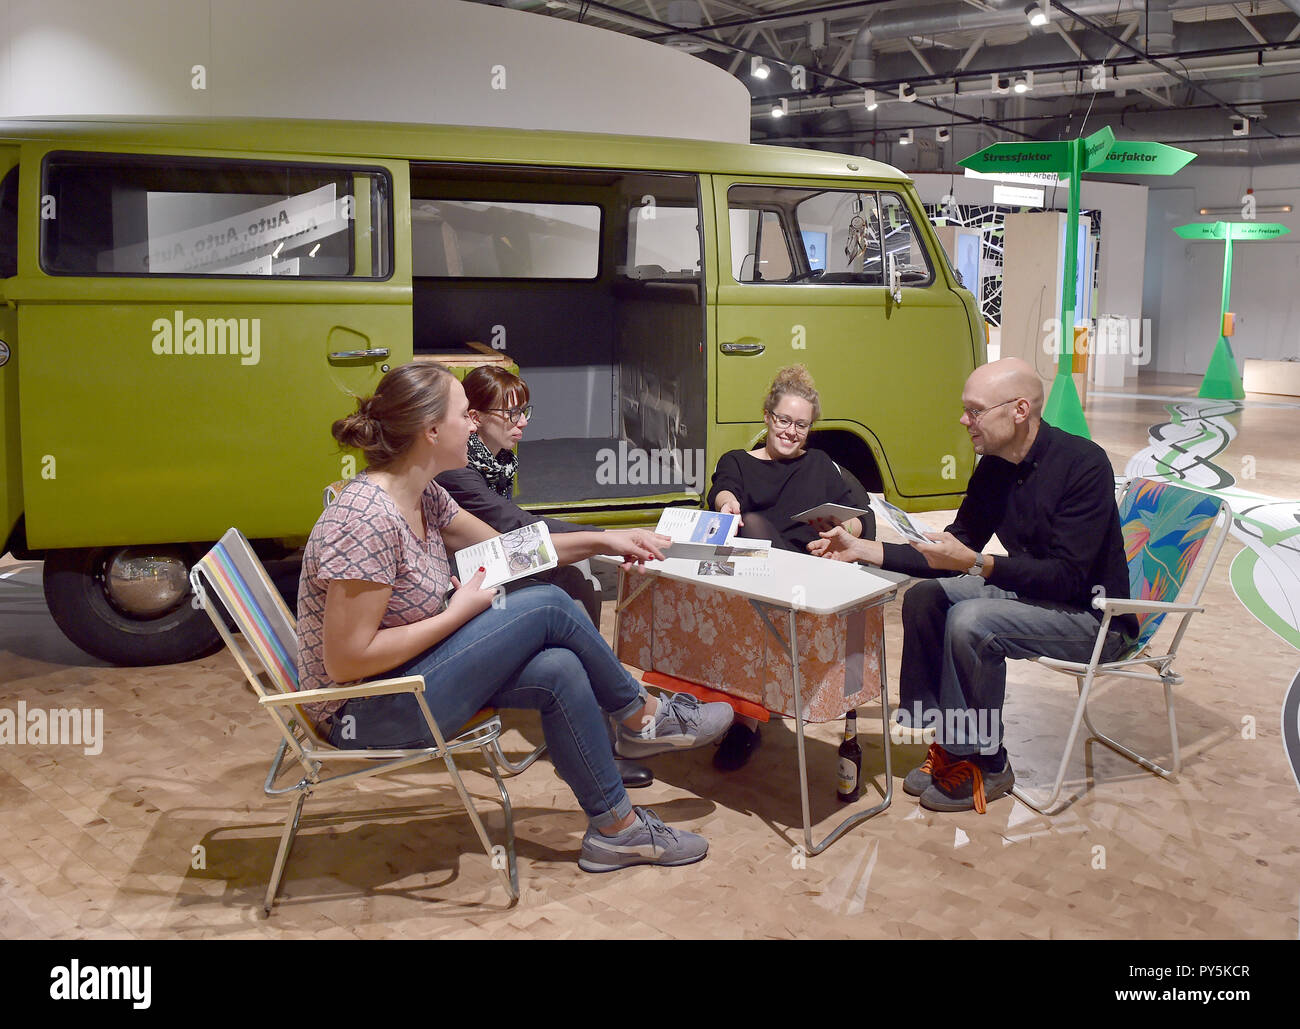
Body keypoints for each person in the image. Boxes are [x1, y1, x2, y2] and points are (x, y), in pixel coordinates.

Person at [296, 362, 734, 872]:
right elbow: (347, 662)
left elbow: (514, 551)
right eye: (465, 414)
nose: (474, 425)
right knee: (547, 604)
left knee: (559, 670)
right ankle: (642, 717)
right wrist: (456, 614)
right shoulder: (367, 517)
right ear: (431, 431)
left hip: (407, 681)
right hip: (364, 712)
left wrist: (607, 540)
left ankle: (618, 830)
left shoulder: (424, 494)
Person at [811, 358, 1137, 814]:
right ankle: (949, 743)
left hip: (1095, 618)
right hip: (1035, 600)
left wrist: (981, 564)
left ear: (1019, 410)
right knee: (926, 599)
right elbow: (954, 549)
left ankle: (986, 761)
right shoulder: (995, 466)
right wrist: (862, 550)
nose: (964, 420)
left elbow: (1068, 576)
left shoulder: (1084, 465)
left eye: (975, 410)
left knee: (972, 620)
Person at [435, 364, 657, 788]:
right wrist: (606, 536)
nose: (521, 423)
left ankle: (601, 725)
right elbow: (513, 525)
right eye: (511, 413)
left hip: (482, 561)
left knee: (574, 578)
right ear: (475, 419)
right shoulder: (455, 470)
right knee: (568, 586)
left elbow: (513, 531)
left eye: (525, 412)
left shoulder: (494, 460)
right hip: (461, 582)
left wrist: (598, 541)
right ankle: (604, 733)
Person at [704, 364, 870, 770]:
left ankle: (745, 722)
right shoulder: (738, 461)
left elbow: (864, 514)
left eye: (801, 424)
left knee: (765, 538)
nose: (790, 431)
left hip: (809, 573)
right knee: (753, 524)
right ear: (767, 416)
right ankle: (746, 716)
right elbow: (722, 489)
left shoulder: (820, 464)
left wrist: (843, 528)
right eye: (783, 420)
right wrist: (727, 503)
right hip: (755, 578)